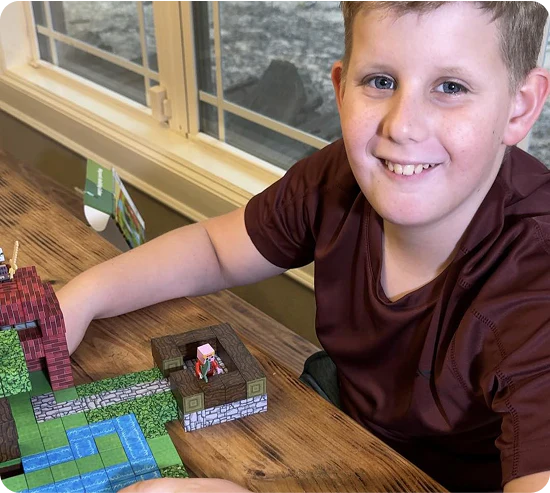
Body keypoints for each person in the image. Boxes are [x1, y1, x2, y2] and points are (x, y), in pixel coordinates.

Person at [56, 1, 550, 492]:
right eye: (380, 81)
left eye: (451, 87)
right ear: (341, 89)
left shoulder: (536, 286)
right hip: (344, 418)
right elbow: (214, 249)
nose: (402, 126)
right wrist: (83, 297)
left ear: (520, 106)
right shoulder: (336, 179)